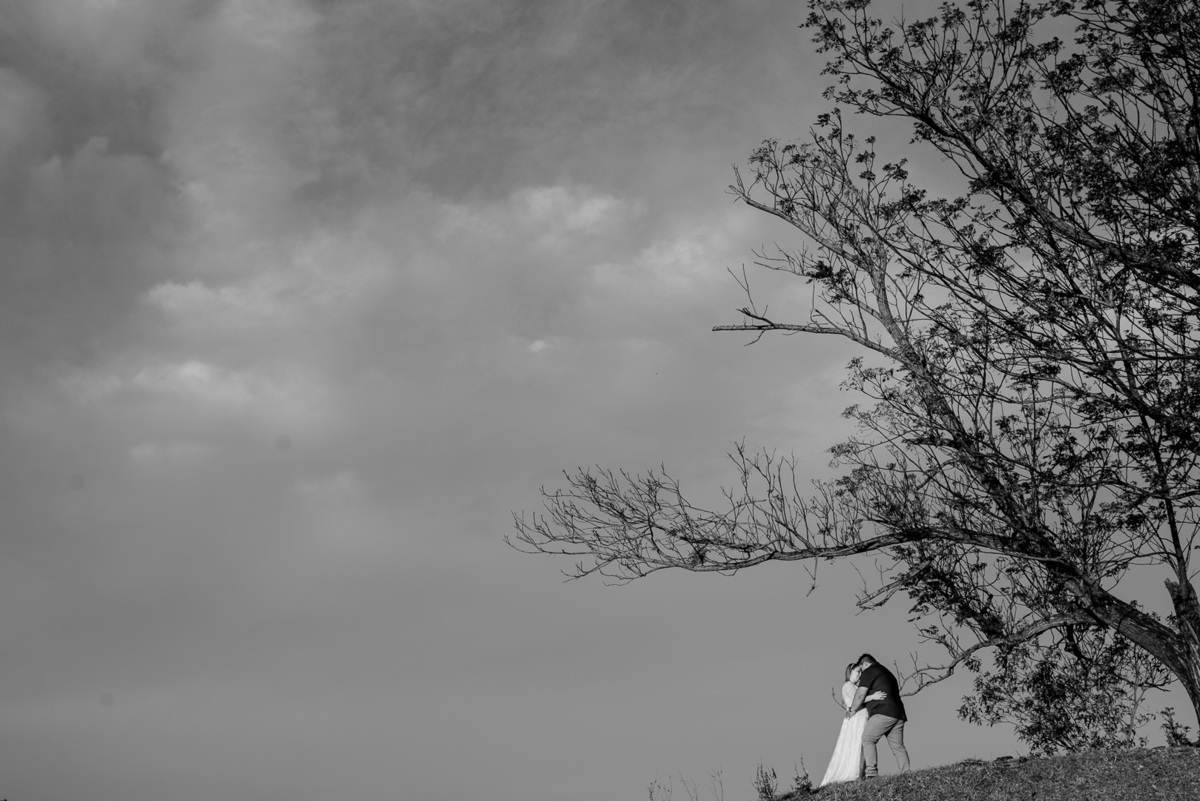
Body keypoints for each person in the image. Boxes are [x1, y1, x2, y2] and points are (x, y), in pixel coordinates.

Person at [817, 663, 887, 787]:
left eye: (860, 673)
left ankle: (862, 772)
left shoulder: (855, 686)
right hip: (856, 720)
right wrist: (873, 697)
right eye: (857, 672)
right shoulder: (848, 686)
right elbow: (853, 702)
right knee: (856, 745)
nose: (859, 675)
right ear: (850, 672)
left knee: (862, 745)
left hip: (861, 719)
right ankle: (857, 772)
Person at [845, 653, 909, 778]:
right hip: (898, 714)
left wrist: (852, 709)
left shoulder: (870, 671)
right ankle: (906, 773)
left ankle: (871, 774)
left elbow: (860, 693)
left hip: (882, 713)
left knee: (868, 739)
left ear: (865, 664)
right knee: (898, 746)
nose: (861, 675)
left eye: (861, 669)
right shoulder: (888, 673)